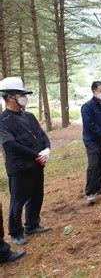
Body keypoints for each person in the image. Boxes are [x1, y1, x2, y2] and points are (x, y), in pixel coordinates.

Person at [0, 77, 51, 245]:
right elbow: (11, 145)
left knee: (37, 196)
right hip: (19, 168)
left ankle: (32, 225)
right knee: (18, 201)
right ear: (9, 97)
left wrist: (47, 149)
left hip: (37, 165)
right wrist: (36, 155)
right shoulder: (3, 121)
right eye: (20, 94)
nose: (24, 98)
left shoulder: (29, 116)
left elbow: (41, 135)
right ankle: (16, 232)